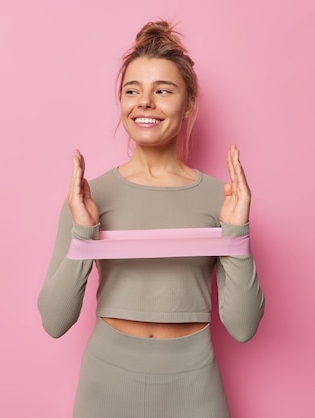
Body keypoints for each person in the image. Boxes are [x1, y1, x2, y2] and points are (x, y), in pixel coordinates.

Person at [37, 20, 265, 418]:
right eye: (132, 91)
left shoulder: (220, 198)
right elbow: (54, 321)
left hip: (194, 384)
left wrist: (236, 234)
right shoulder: (89, 196)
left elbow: (243, 329)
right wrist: (84, 233)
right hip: (107, 383)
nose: (145, 102)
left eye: (163, 90)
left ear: (189, 104)